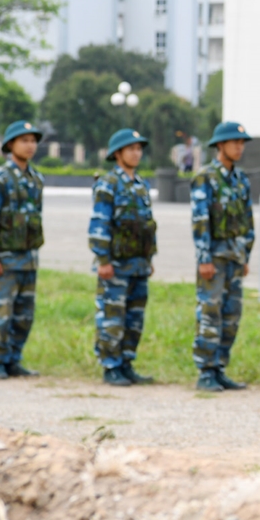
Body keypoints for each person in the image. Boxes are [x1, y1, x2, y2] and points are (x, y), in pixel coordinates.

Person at [0, 121, 45, 380]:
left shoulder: (36, 179)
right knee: (1, 313)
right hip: (4, 259)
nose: (30, 145)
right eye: (24, 140)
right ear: (10, 145)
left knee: (24, 315)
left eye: (33, 140)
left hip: (28, 259)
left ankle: (14, 359)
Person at [89, 129, 158, 386]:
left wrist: (149, 258)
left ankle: (126, 363)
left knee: (134, 319)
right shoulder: (108, 183)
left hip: (138, 264)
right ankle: (111, 366)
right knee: (112, 316)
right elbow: (100, 224)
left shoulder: (141, 185)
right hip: (116, 265)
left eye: (139, 149)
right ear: (117, 153)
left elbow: (147, 224)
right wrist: (103, 260)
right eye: (131, 149)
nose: (136, 153)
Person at [190, 121, 255, 392]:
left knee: (231, 316)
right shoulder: (205, 178)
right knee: (210, 313)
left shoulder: (241, 180)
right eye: (234, 142)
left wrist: (246, 256)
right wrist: (204, 258)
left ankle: (219, 368)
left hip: (235, 260)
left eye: (241, 143)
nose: (239, 147)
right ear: (220, 145)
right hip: (213, 261)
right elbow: (200, 220)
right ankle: (205, 371)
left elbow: (247, 221)